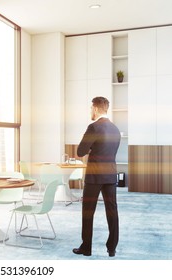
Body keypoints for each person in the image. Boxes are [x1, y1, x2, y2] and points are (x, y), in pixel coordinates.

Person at [73, 96, 121, 257]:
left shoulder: (93, 127)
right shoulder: (115, 129)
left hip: (94, 177)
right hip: (110, 176)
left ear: (95, 108)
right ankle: (112, 248)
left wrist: (90, 148)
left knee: (88, 211)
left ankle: (86, 248)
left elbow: (80, 152)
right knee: (112, 211)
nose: (90, 111)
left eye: (90, 108)